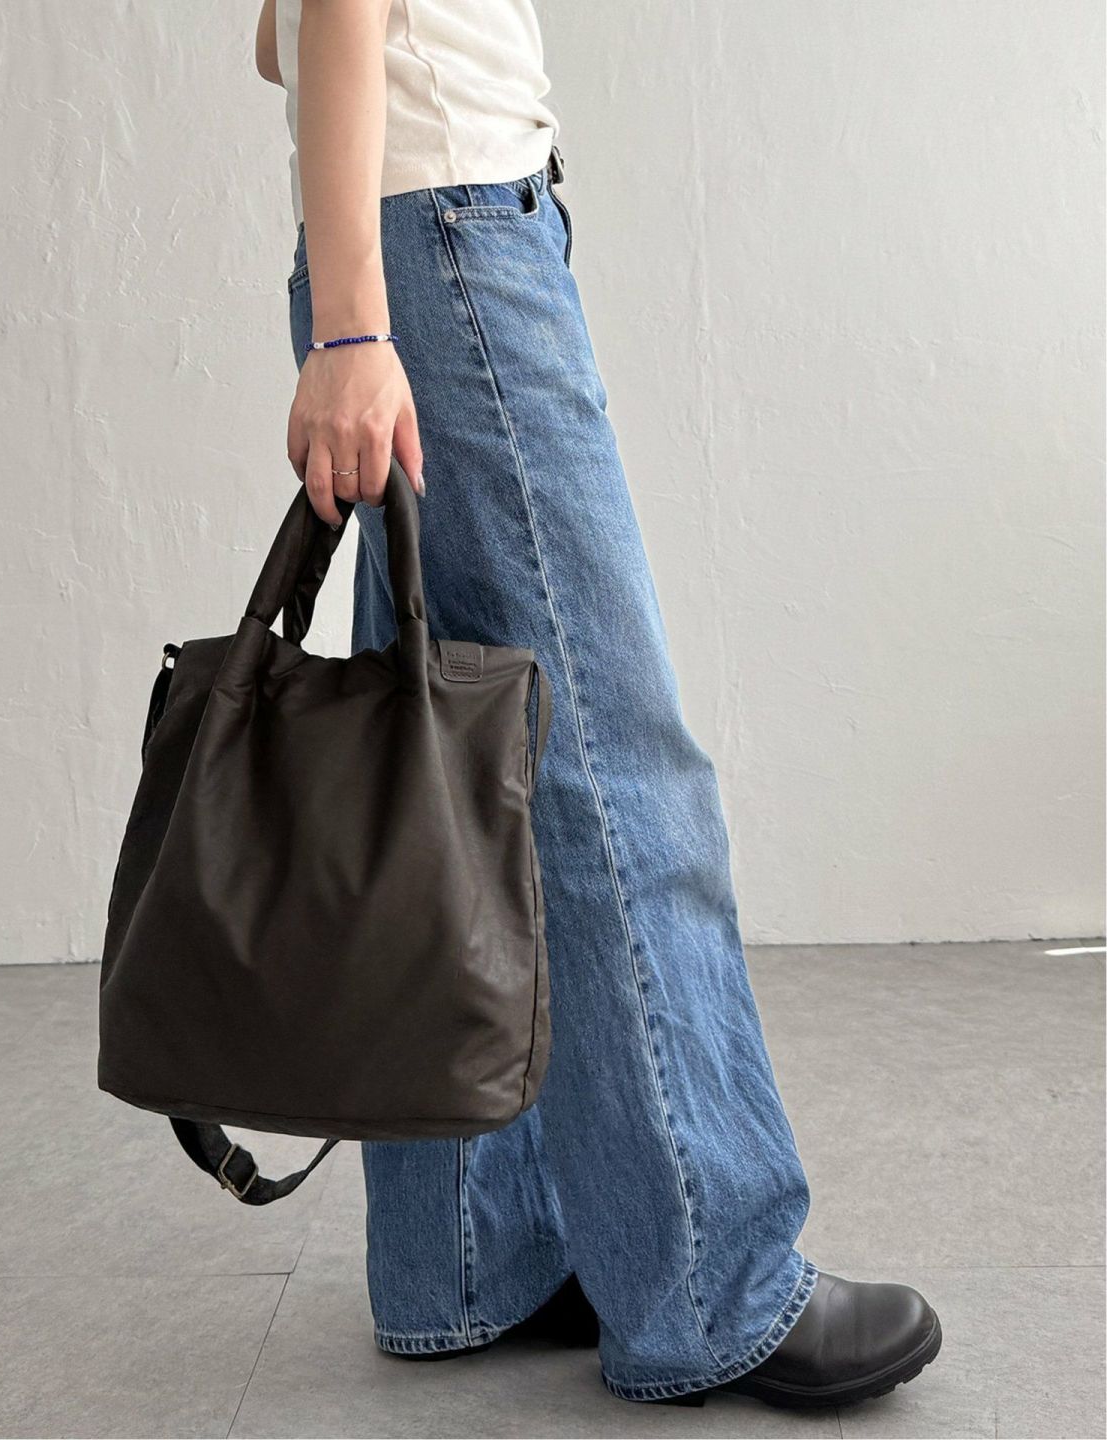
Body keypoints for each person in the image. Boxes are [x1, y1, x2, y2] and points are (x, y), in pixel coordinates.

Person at [254, 0, 941, 1410]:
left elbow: (285, 38)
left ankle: (469, 1260)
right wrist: (353, 326)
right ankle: (713, 1285)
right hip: (447, 248)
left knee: (445, 773)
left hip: (411, 247)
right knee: (618, 772)